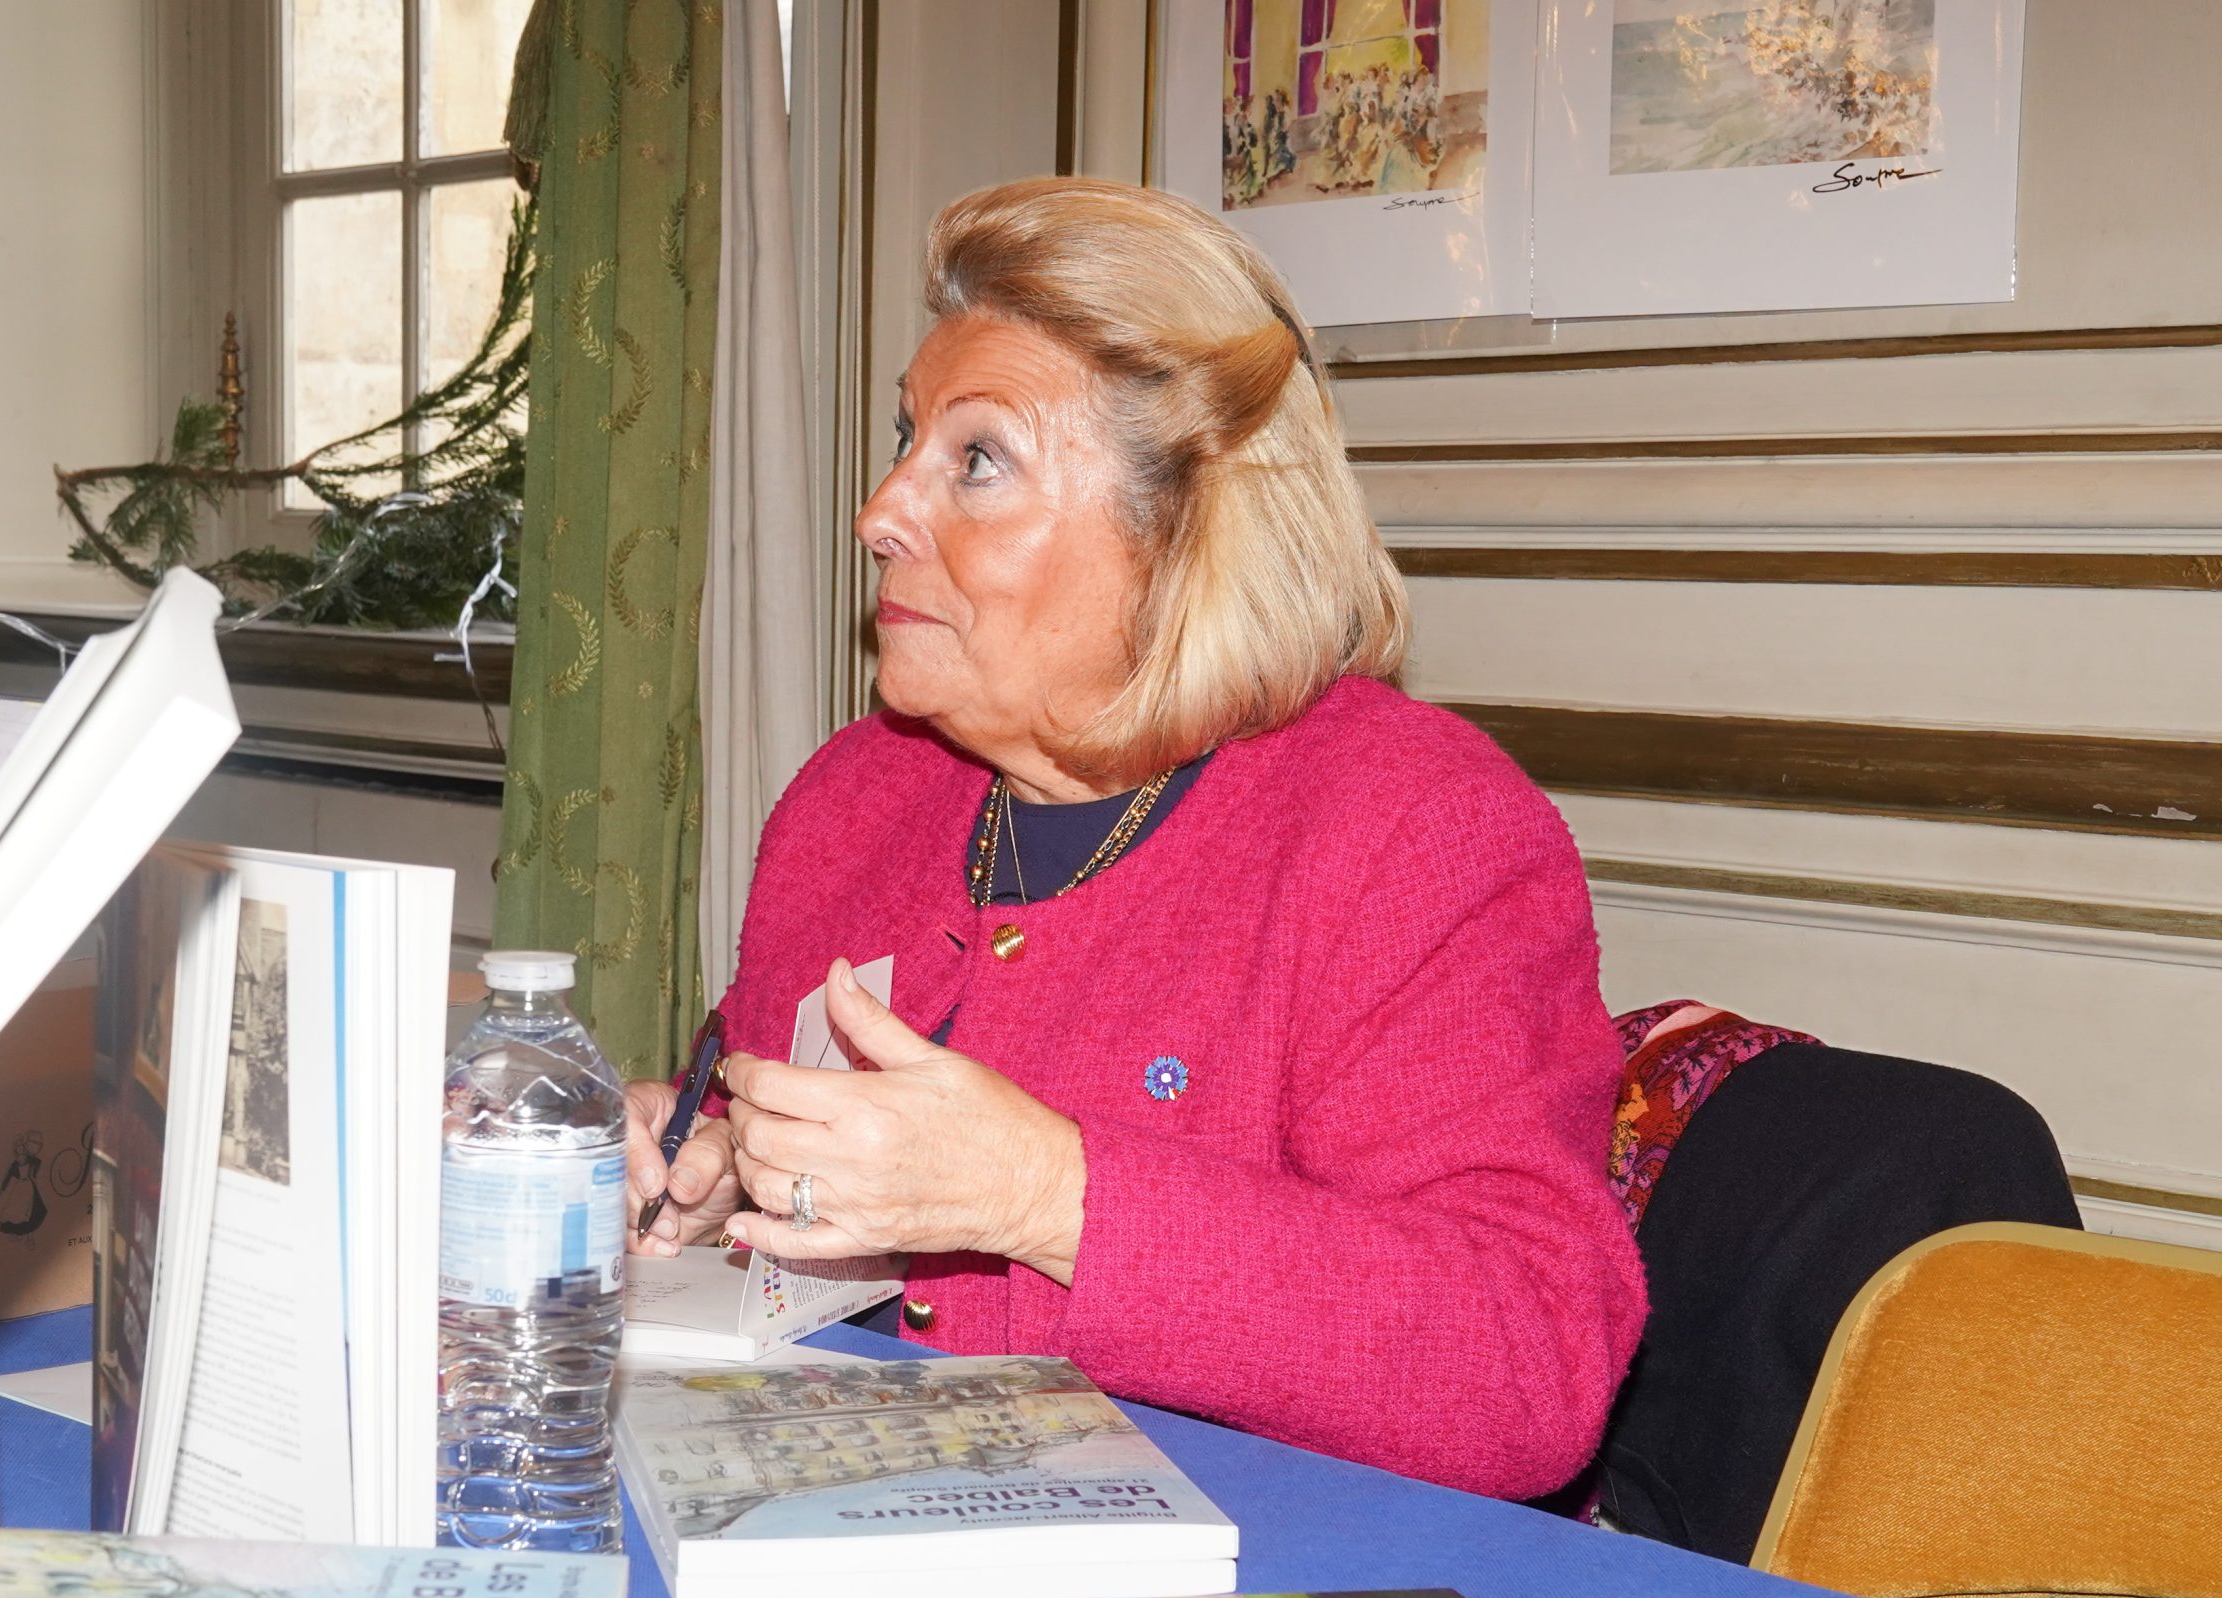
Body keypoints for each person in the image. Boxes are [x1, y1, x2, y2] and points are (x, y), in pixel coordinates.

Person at [625, 177, 1643, 1499]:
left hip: (1255, 1589)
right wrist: (710, 1175)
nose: (881, 510)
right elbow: (754, 1120)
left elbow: (1523, 1369)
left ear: (1180, 529)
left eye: (976, 461)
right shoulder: (856, 797)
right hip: (835, 1520)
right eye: (908, 440)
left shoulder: (1412, 829)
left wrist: (1046, 1193)